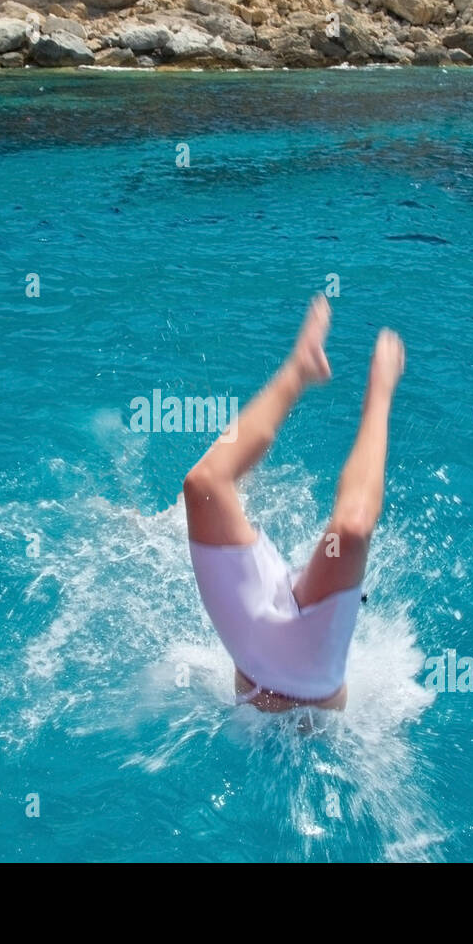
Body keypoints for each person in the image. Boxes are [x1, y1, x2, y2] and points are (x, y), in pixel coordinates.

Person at [183, 295, 404, 712]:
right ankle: (301, 367)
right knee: (202, 486)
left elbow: (354, 526)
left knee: (206, 486)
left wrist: (381, 389)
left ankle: (375, 397)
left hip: (298, 668)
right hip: (268, 645)